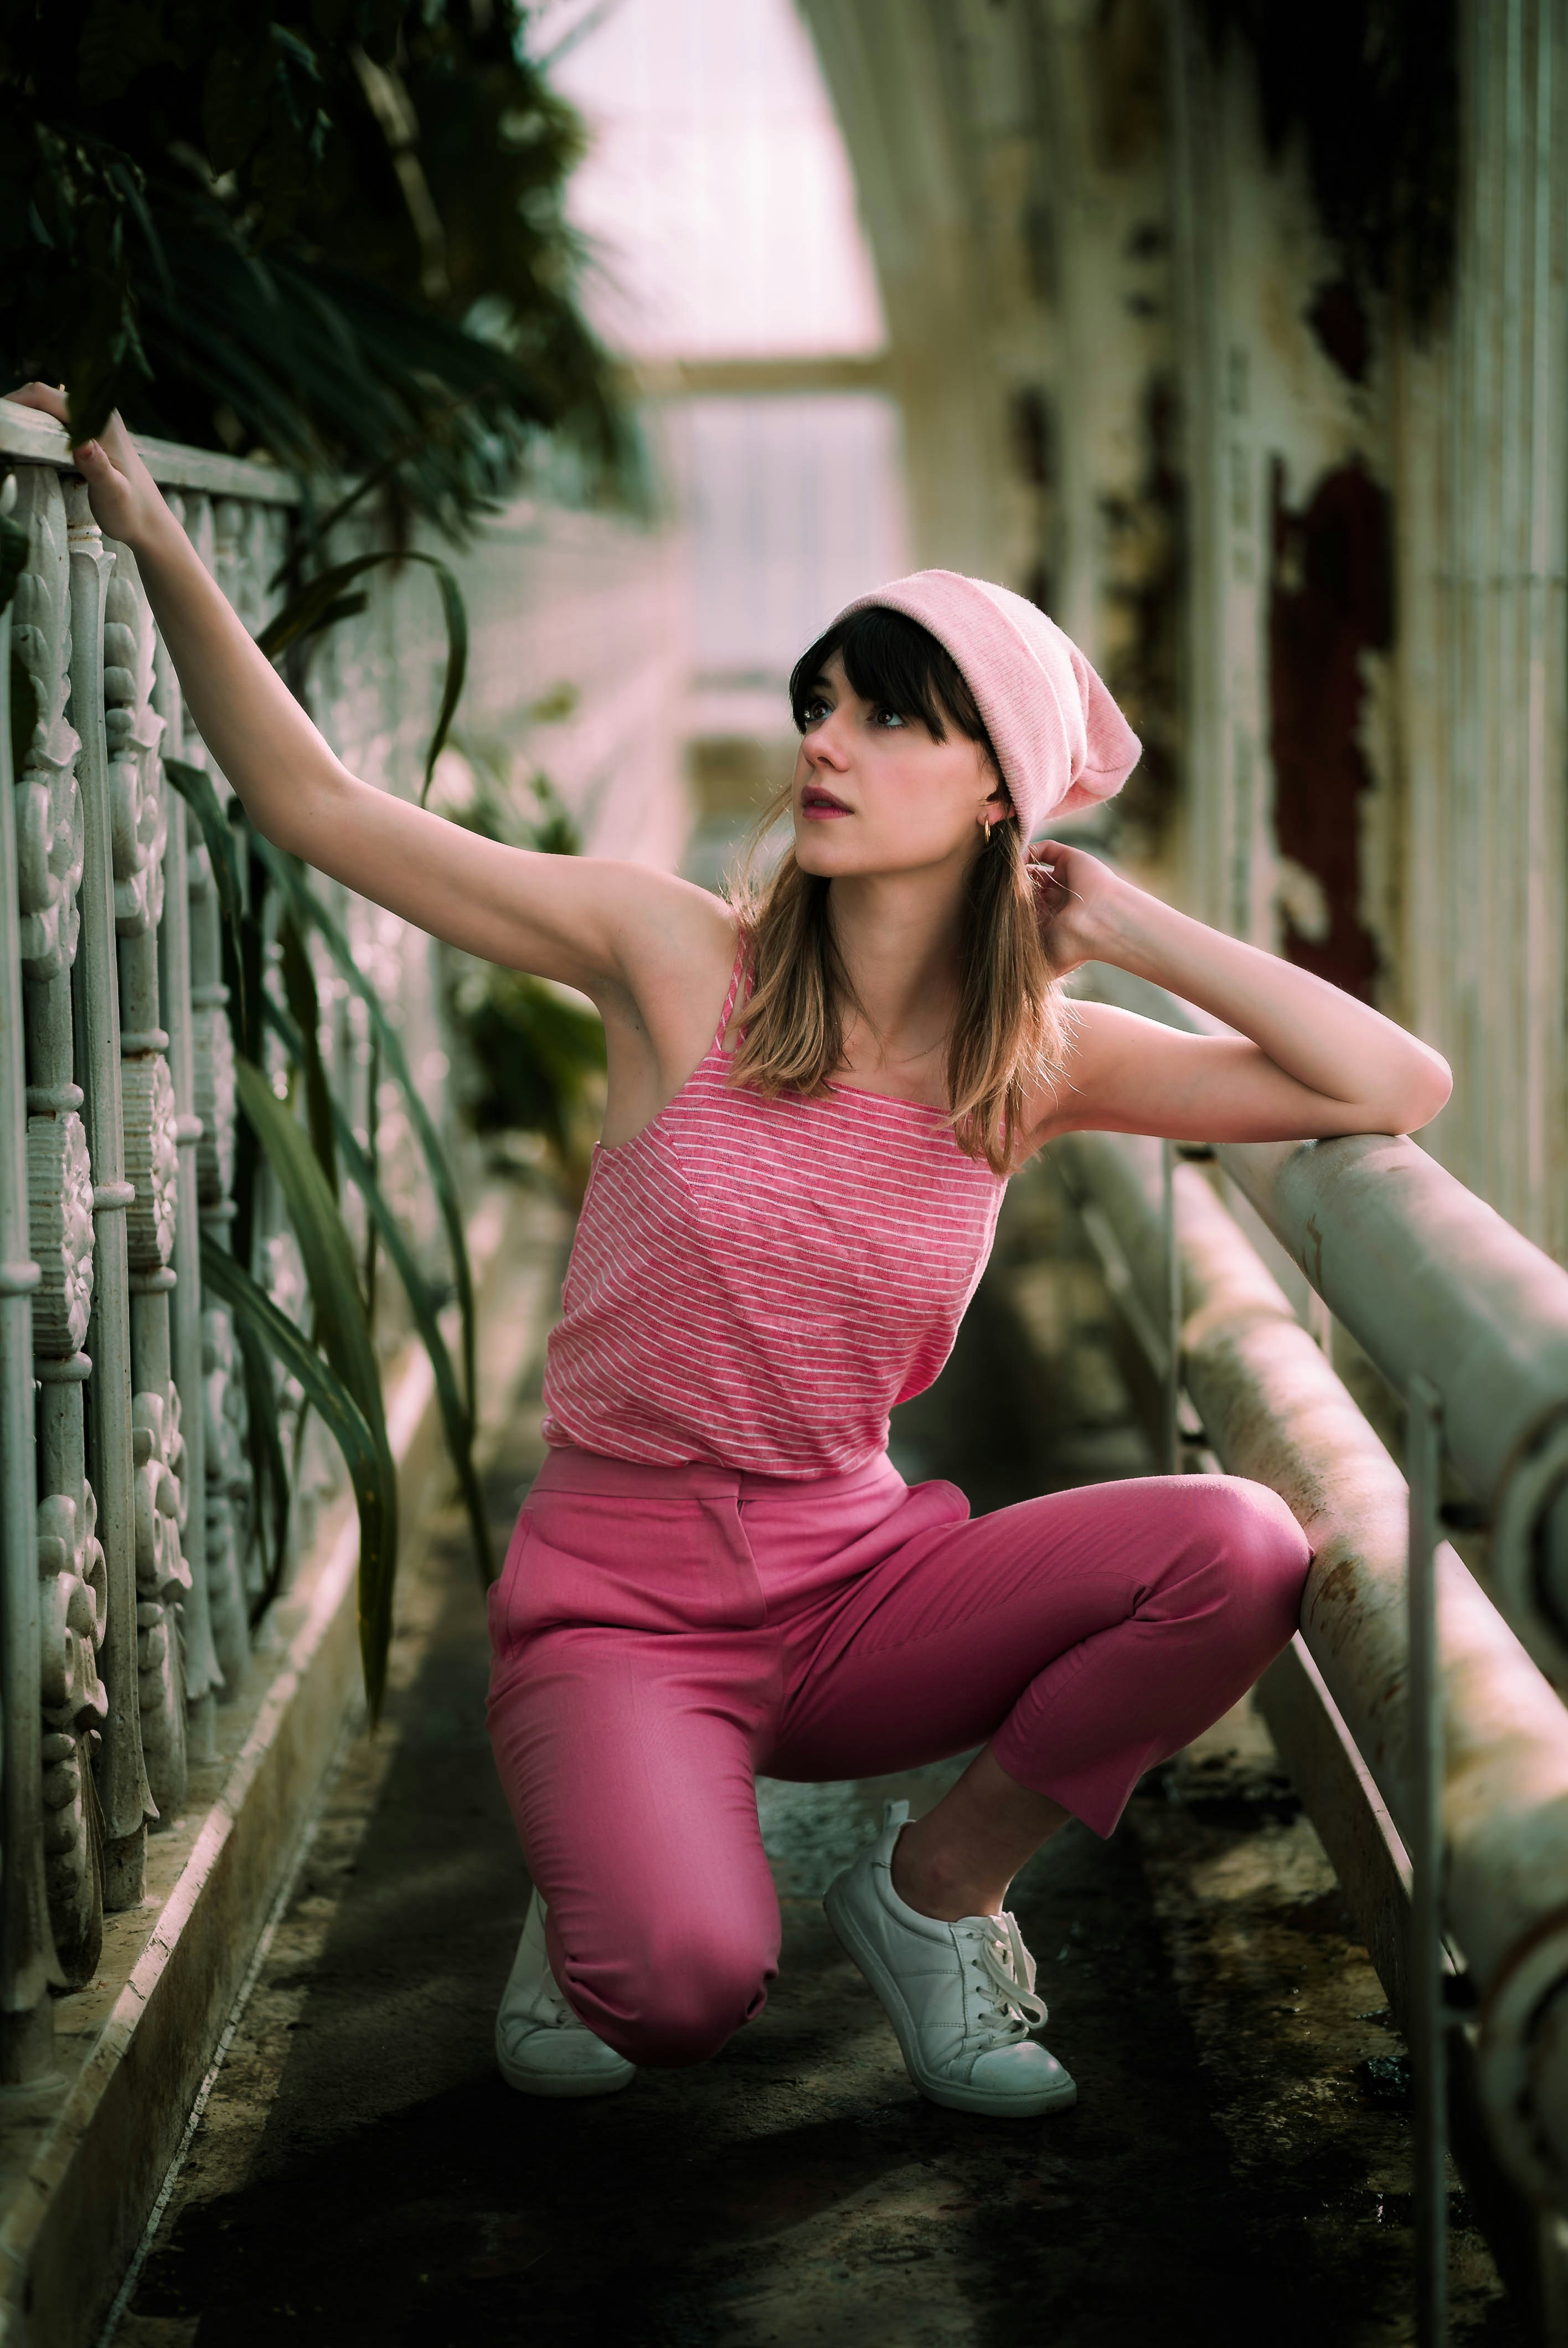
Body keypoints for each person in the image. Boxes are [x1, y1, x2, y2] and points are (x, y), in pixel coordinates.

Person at [15, 385, 1451, 2120]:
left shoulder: (1032, 1064)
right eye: (819, 706)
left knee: (1236, 1544)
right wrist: (144, 524)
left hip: (858, 1592)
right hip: (620, 1604)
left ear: (1001, 789)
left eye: (890, 720)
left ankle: (940, 1899)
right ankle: (600, 1857)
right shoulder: (672, 958)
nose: (825, 745)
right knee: (673, 1996)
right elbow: (318, 808)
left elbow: (1393, 1083)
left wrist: (1129, 920)